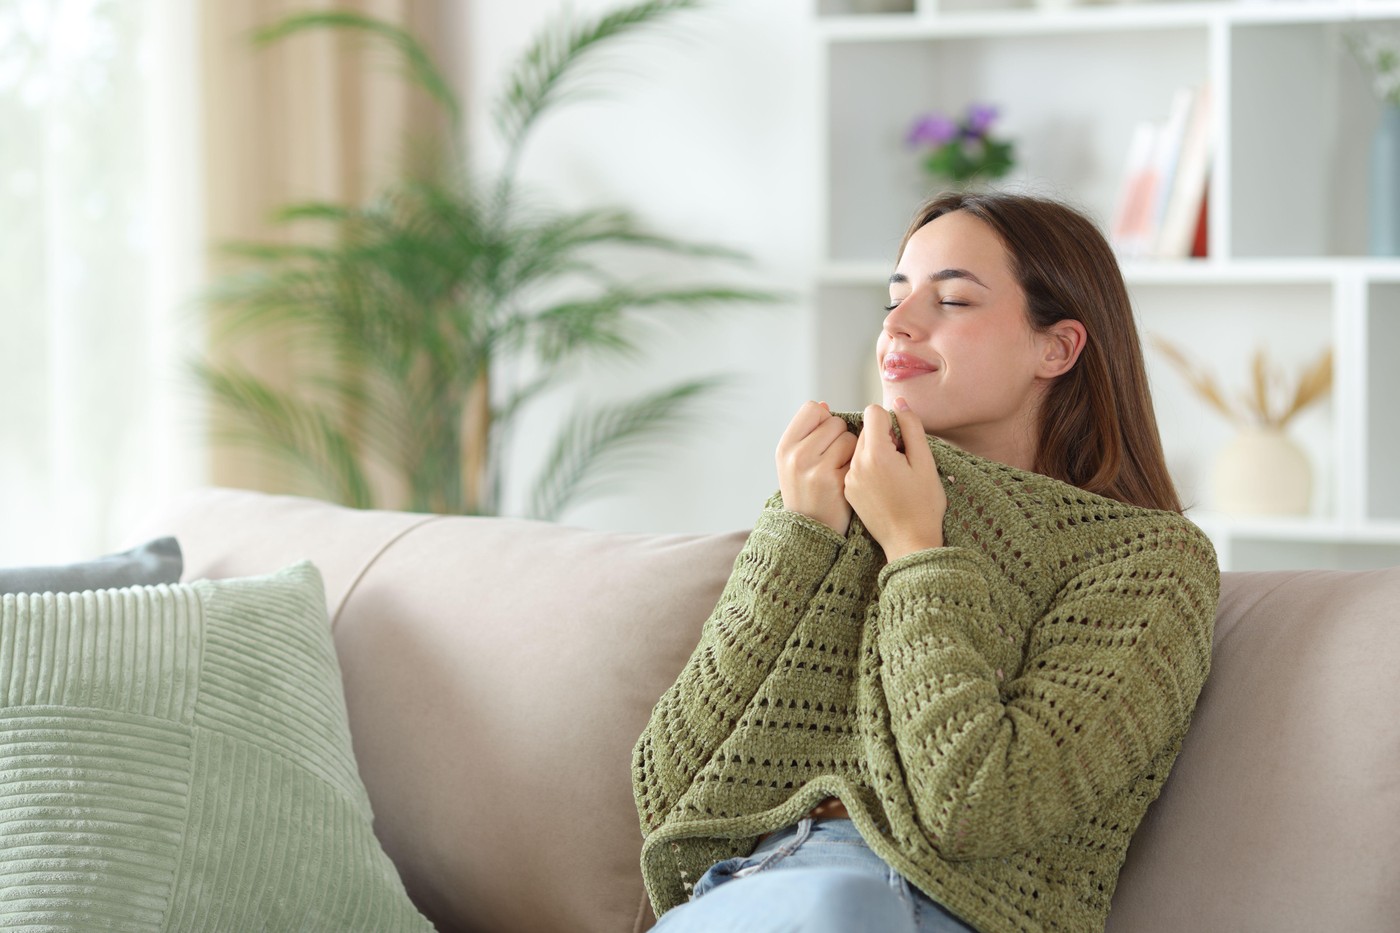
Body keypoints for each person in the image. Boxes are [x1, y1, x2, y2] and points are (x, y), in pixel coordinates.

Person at [631, 192, 1220, 933]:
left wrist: (916, 547)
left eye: (951, 299)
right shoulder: (829, 495)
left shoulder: (1148, 560)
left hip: (915, 904)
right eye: (895, 296)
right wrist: (799, 536)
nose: (898, 325)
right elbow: (670, 787)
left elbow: (978, 802)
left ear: (1057, 348)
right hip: (752, 886)